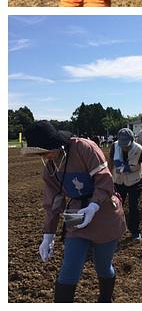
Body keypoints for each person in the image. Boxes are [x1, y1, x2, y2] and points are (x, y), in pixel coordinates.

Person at [22, 120, 127, 302]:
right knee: (69, 269)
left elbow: (104, 181)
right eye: (41, 153)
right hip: (77, 216)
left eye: (46, 151)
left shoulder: (84, 149)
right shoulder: (51, 167)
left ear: (56, 144)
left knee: (103, 266)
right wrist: (48, 235)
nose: (45, 157)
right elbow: (53, 202)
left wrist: (93, 207)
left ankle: (105, 300)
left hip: (104, 213)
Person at [111, 128, 142, 242]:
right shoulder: (114, 146)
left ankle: (135, 231)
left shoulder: (140, 150)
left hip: (134, 181)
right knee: (115, 206)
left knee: (133, 206)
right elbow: (110, 162)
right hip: (119, 181)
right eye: (123, 145)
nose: (125, 147)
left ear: (132, 140)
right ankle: (114, 230)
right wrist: (107, 179)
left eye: (127, 145)